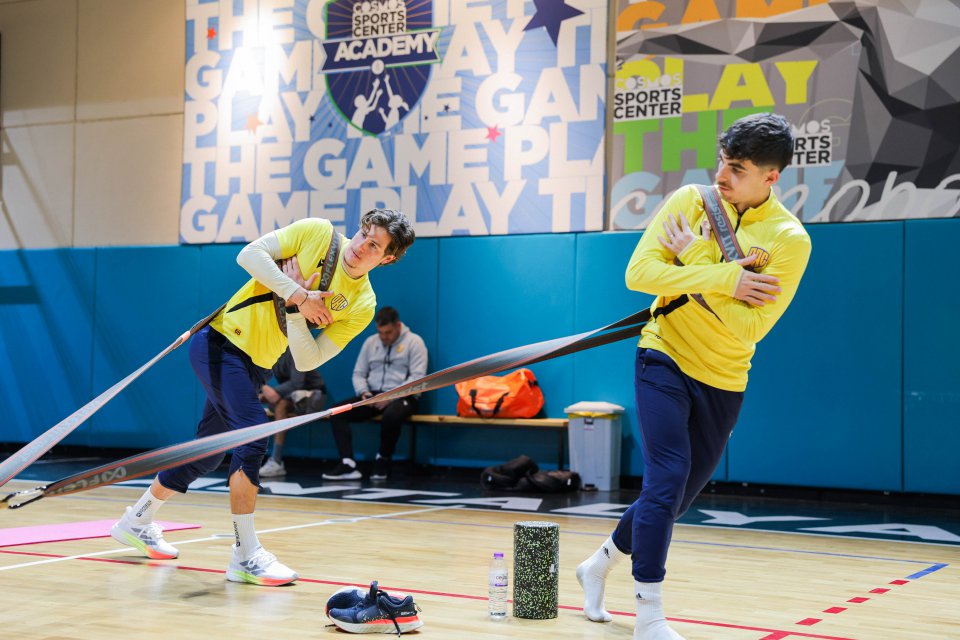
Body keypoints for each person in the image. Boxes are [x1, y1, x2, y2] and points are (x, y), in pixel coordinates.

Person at [575, 113, 811, 639]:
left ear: (771, 177)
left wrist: (694, 257)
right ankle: (650, 615)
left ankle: (597, 565)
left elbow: (750, 327)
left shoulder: (790, 239)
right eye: (723, 162)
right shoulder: (691, 201)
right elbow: (639, 274)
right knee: (666, 479)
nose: (721, 176)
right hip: (663, 354)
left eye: (738, 169)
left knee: (674, 499)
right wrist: (728, 277)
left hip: (724, 377)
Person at [110, 209, 415, 587]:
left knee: (207, 454)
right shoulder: (318, 233)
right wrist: (298, 292)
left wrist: (296, 309)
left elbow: (307, 359)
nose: (360, 245)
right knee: (254, 436)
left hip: (256, 367)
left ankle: (137, 520)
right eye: (363, 233)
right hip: (222, 344)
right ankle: (245, 555)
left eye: (374, 246)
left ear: (387, 259)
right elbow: (249, 255)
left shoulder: (362, 303)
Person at [322, 306, 427, 481]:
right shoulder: (371, 343)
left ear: (398, 326)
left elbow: (417, 378)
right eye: (380, 332)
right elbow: (359, 373)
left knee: (392, 415)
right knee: (337, 412)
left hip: (403, 397)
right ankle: (348, 463)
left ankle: (382, 459)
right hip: (373, 396)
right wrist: (364, 392)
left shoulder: (415, 342)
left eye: (388, 332)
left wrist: (391, 396)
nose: (384, 337)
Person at [258, 348, 327, 478]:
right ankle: (264, 459)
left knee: (279, 405)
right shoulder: (273, 353)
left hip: (314, 394)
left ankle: (276, 461)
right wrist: (266, 394)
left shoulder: (296, 350)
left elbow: (297, 383)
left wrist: (273, 392)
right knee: (273, 404)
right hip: (291, 395)